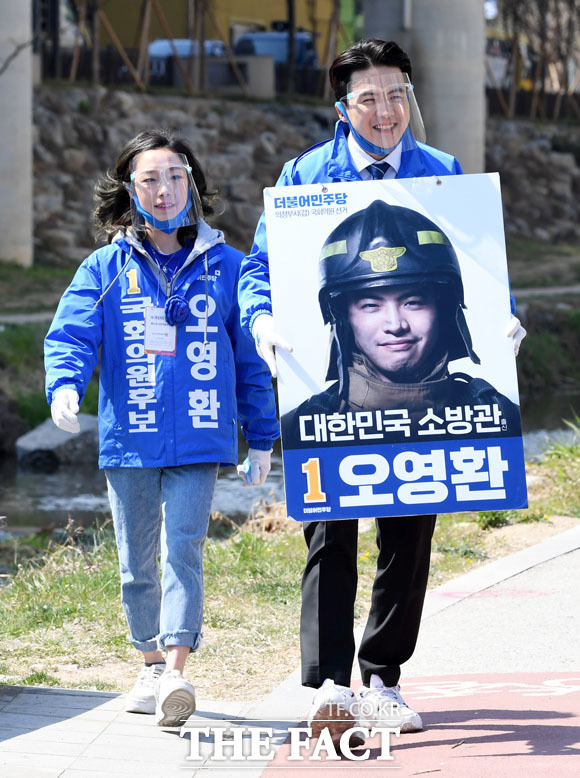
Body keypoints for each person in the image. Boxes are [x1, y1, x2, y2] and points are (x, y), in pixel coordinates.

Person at [237, 38, 526, 744]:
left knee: (411, 532)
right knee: (328, 533)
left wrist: (505, 319)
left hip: (430, 402)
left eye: (398, 94)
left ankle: (384, 677)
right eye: (369, 98)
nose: (387, 111)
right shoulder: (306, 175)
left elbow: (480, 265)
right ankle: (328, 685)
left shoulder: (442, 173)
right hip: (334, 399)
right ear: (343, 108)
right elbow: (259, 268)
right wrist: (262, 319)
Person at [45, 129, 279, 728]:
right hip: (130, 438)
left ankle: (176, 670)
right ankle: (149, 664)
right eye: (150, 179)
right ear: (131, 190)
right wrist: (65, 384)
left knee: (184, 549)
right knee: (135, 561)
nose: (165, 189)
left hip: (201, 435)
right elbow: (72, 333)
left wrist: (261, 437)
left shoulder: (228, 267)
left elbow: (252, 361)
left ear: (192, 183)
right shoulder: (106, 267)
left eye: (176, 176)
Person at [282, 198, 521, 447]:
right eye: (370, 306)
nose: (395, 325)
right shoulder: (302, 429)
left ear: (443, 309)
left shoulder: (499, 416)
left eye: (413, 302)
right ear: (343, 318)